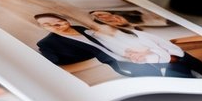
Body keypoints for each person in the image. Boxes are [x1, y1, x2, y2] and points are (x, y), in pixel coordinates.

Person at [87, 10, 202, 78]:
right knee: (183, 77)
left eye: (100, 13)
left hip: (175, 51)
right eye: (98, 17)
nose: (101, 17)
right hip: (162, 58)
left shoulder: (129, 17)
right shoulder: (117, 31)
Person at [32, 13, 160, 78]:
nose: (56, 26)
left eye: (58, 22)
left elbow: (104, 44)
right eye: (47, 25)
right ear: (42, 27)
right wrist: (98, 61)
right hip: (104, 70)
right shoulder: (46, 44)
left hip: (128, 58)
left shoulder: (80, 28)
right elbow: (56, 70)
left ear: (67, 21)